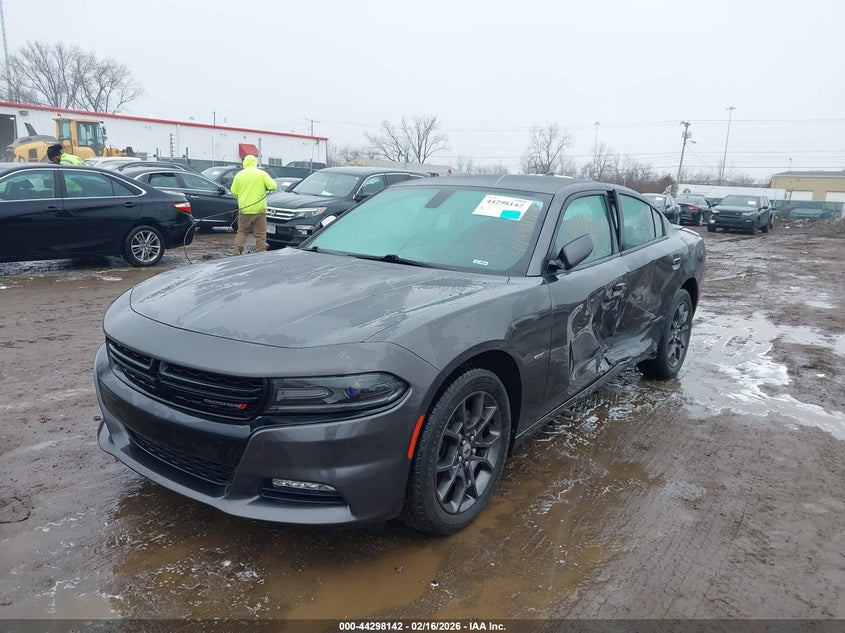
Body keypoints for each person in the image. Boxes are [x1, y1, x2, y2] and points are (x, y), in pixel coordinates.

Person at [230, 155, 277, 255]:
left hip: (244, 210)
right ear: (255, 162)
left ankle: (237, 252)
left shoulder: (239, 175)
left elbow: (233, 191)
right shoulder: (262, 174)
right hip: (260, 210)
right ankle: (260, 252)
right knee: (260, 234)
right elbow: (273, 186)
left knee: (242, 232)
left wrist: (242, 197)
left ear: (244, 163)